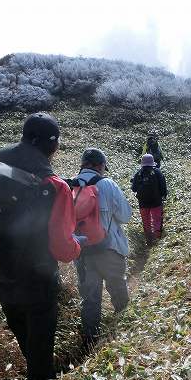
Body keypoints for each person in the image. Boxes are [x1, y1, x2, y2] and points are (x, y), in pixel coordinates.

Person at [0, 112, 81, 380]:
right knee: (41, 355)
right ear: (51, 145)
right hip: (37, 283)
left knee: (27, 340)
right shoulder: (55, 186)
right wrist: (78, 247)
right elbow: (63, 249)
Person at [73, 148, 132, 346]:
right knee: (117, 288)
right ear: (101, 166)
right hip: (109, 249)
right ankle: (124, 331)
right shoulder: (107, 184)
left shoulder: (68, 186)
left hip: (81, 252)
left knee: (90, 299)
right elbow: (125, 216)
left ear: (83, 165)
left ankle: (90, 343)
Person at [131, 153, 167, 243]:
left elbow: (134, 188)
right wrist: (163, 195)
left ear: (142, 163)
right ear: (152, 162)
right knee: (157, 219)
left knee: (146, 220)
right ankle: (157, 239)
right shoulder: (157, 172)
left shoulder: (138, 173)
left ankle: (149, 239)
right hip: (156, 201)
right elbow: (163, 186)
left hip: (143, 202)